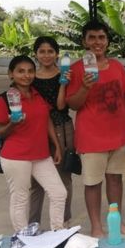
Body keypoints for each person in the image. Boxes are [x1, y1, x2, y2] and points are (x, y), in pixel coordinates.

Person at [66, 21, 125, 238]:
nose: (97, 42)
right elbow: (73, 104)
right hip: (91, 137)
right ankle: (96, 225)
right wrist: (85, 87)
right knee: (93, 183)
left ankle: (117, 220)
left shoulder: (117, 66)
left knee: (115, 180)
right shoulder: (76, 69)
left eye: (101, 37)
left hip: (119, 135)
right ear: (84, 41)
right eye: (92, 37)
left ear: (107, 41)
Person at [0, 55, 66, 232]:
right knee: (20, 198)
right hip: (16, 157)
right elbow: (0, 131)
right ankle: (22, 237)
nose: (26, 75)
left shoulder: (37, 94)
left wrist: (56, 145)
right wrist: (13, 123)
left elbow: (47, 119)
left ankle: (58, 232)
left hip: (41, 154)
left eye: (30, 71)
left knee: (59, 193)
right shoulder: (4, 99)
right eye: (20, 71)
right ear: (11, 74)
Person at [28, 37, 74, 227]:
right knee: (36, 180)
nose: (46, 55)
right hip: (37, 131)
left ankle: (64, 221)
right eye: (42, 51)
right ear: (36, 54)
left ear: (57, 54)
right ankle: (33, 223)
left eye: (50, 51)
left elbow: (61, 106)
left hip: (62, 128)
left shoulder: (66, 75)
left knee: (64, 177)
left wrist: (63, 83)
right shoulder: (30, 78)